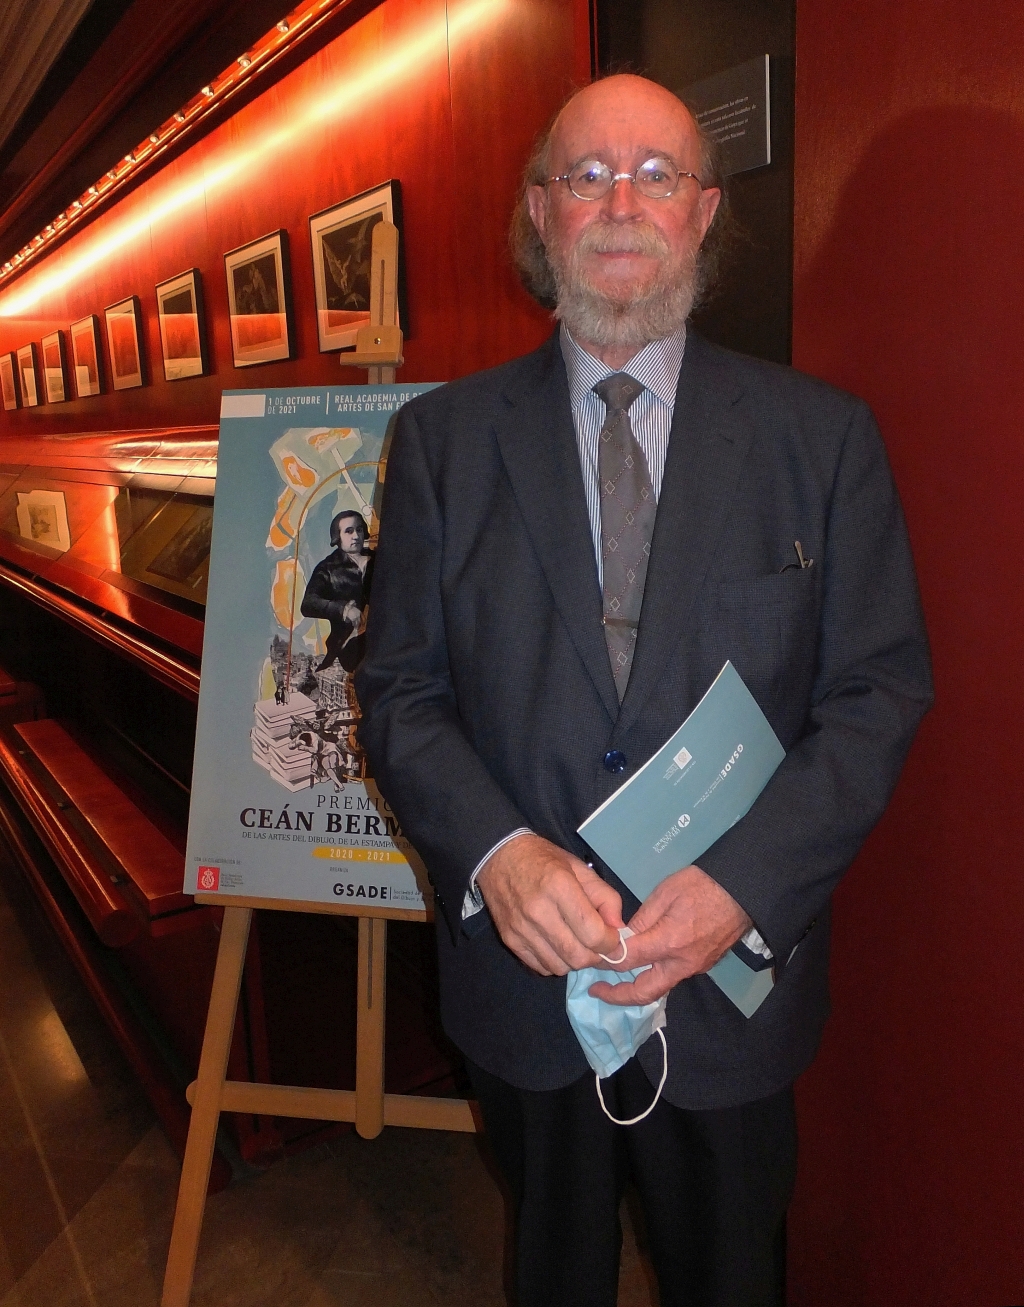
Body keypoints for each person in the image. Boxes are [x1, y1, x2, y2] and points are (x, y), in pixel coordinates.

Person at [355, 74, 932, 1307]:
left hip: (729, 989)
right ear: (541, 211)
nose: (622, 203)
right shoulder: (443, 444)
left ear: (704, 212)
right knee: (551, 1270)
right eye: (588, 174)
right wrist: (497, 852)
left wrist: (745, 887)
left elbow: (877, 690)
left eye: (657, 174)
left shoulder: (822, 438)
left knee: (730, 1276)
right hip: (526, 985)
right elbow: (399, 690)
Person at [300, 508, 373, 672]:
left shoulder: (379, 560)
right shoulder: (327, 568)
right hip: (350, 643)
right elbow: (308, 603)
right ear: (337, 537)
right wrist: (344, 610)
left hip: (385, 634)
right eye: (349, 531)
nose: (356, 536)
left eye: (359, 530)